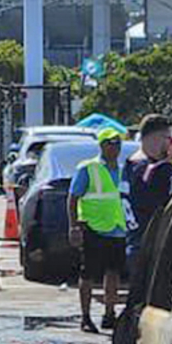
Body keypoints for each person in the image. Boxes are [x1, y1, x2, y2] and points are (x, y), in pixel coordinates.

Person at [68, 125, 129, 332]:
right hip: (93, 228)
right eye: (111, 143)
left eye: (118, 143)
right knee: (88, 275)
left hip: (116, 227)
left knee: (113, 273)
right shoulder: (88, 168)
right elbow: (73, 198)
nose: (116, 147)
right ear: (102, 146)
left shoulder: (123, 170)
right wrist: (74, 226)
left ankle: (109, 314)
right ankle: (85, 317)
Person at [122, 114, 172, 264]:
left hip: (135, 244)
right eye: (169, 138)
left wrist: (168, 157)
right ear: (156, 138)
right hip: (154, 249)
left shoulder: (131, 164)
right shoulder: (156, 170)